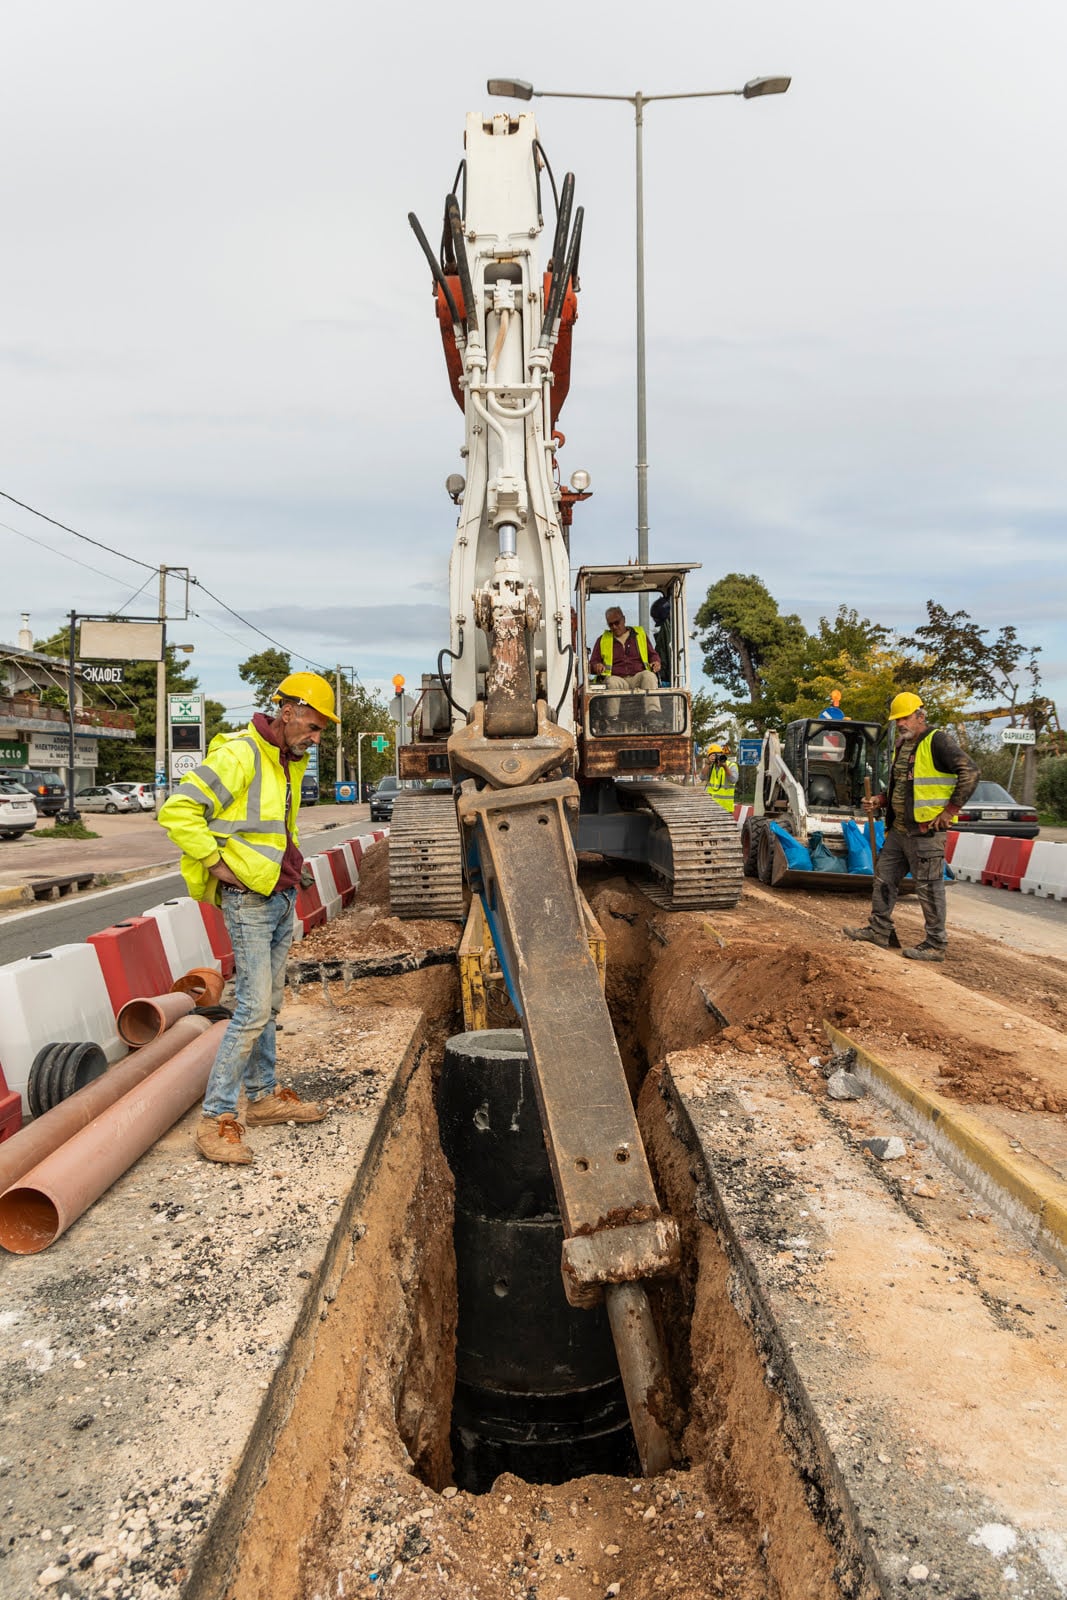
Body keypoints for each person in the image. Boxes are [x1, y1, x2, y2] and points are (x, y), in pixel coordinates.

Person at [157, 671, 341, 1164]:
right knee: (252, 1009)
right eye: (314, 726)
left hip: (278, 896)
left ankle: (261, 1098)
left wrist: (293, 869)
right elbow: (178, 810)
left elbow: (277, 826)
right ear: (288, 712)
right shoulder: (240, 754)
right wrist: (216, 865)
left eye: (321, 730)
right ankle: (215, 1118)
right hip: (250, 902)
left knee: (271, 1005)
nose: (316, 738)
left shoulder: (288, 760)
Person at [844, 692, 978, 962]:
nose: (901, 723)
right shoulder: (902, 746)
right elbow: (901, 787)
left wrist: (950, 810)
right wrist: (879, 801)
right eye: (897, 719)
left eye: (905, 717)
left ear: (920, 715)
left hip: (925, 832)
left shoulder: (938, 741)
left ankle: (936, 943)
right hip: (899, 830)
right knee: (883, 879)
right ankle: (879, 930)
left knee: (929, 887)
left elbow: (971, 772)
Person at [589, 606, 661, 719]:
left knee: (649, 676)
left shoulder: (639, 635)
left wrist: (655, 662)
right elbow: (593, 663)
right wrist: (596, 666)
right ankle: (612, 719)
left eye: (616, 623)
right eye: (610, 624)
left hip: (638, 677)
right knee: (611, 682)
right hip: (618, 678)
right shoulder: (602, 640)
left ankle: (653, 715)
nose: (614, 627)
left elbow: (652, 654)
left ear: (624, 619)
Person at [704, 744, 738, 813]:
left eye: (719, 755)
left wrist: (724, 766)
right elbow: (702, 777)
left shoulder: (731, 765)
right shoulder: (710, 767)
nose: (716, 757)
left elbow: (733, 780)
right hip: (710, 808)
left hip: (725, 808)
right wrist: (707, 764)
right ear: (709, 756)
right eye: (714, 755)